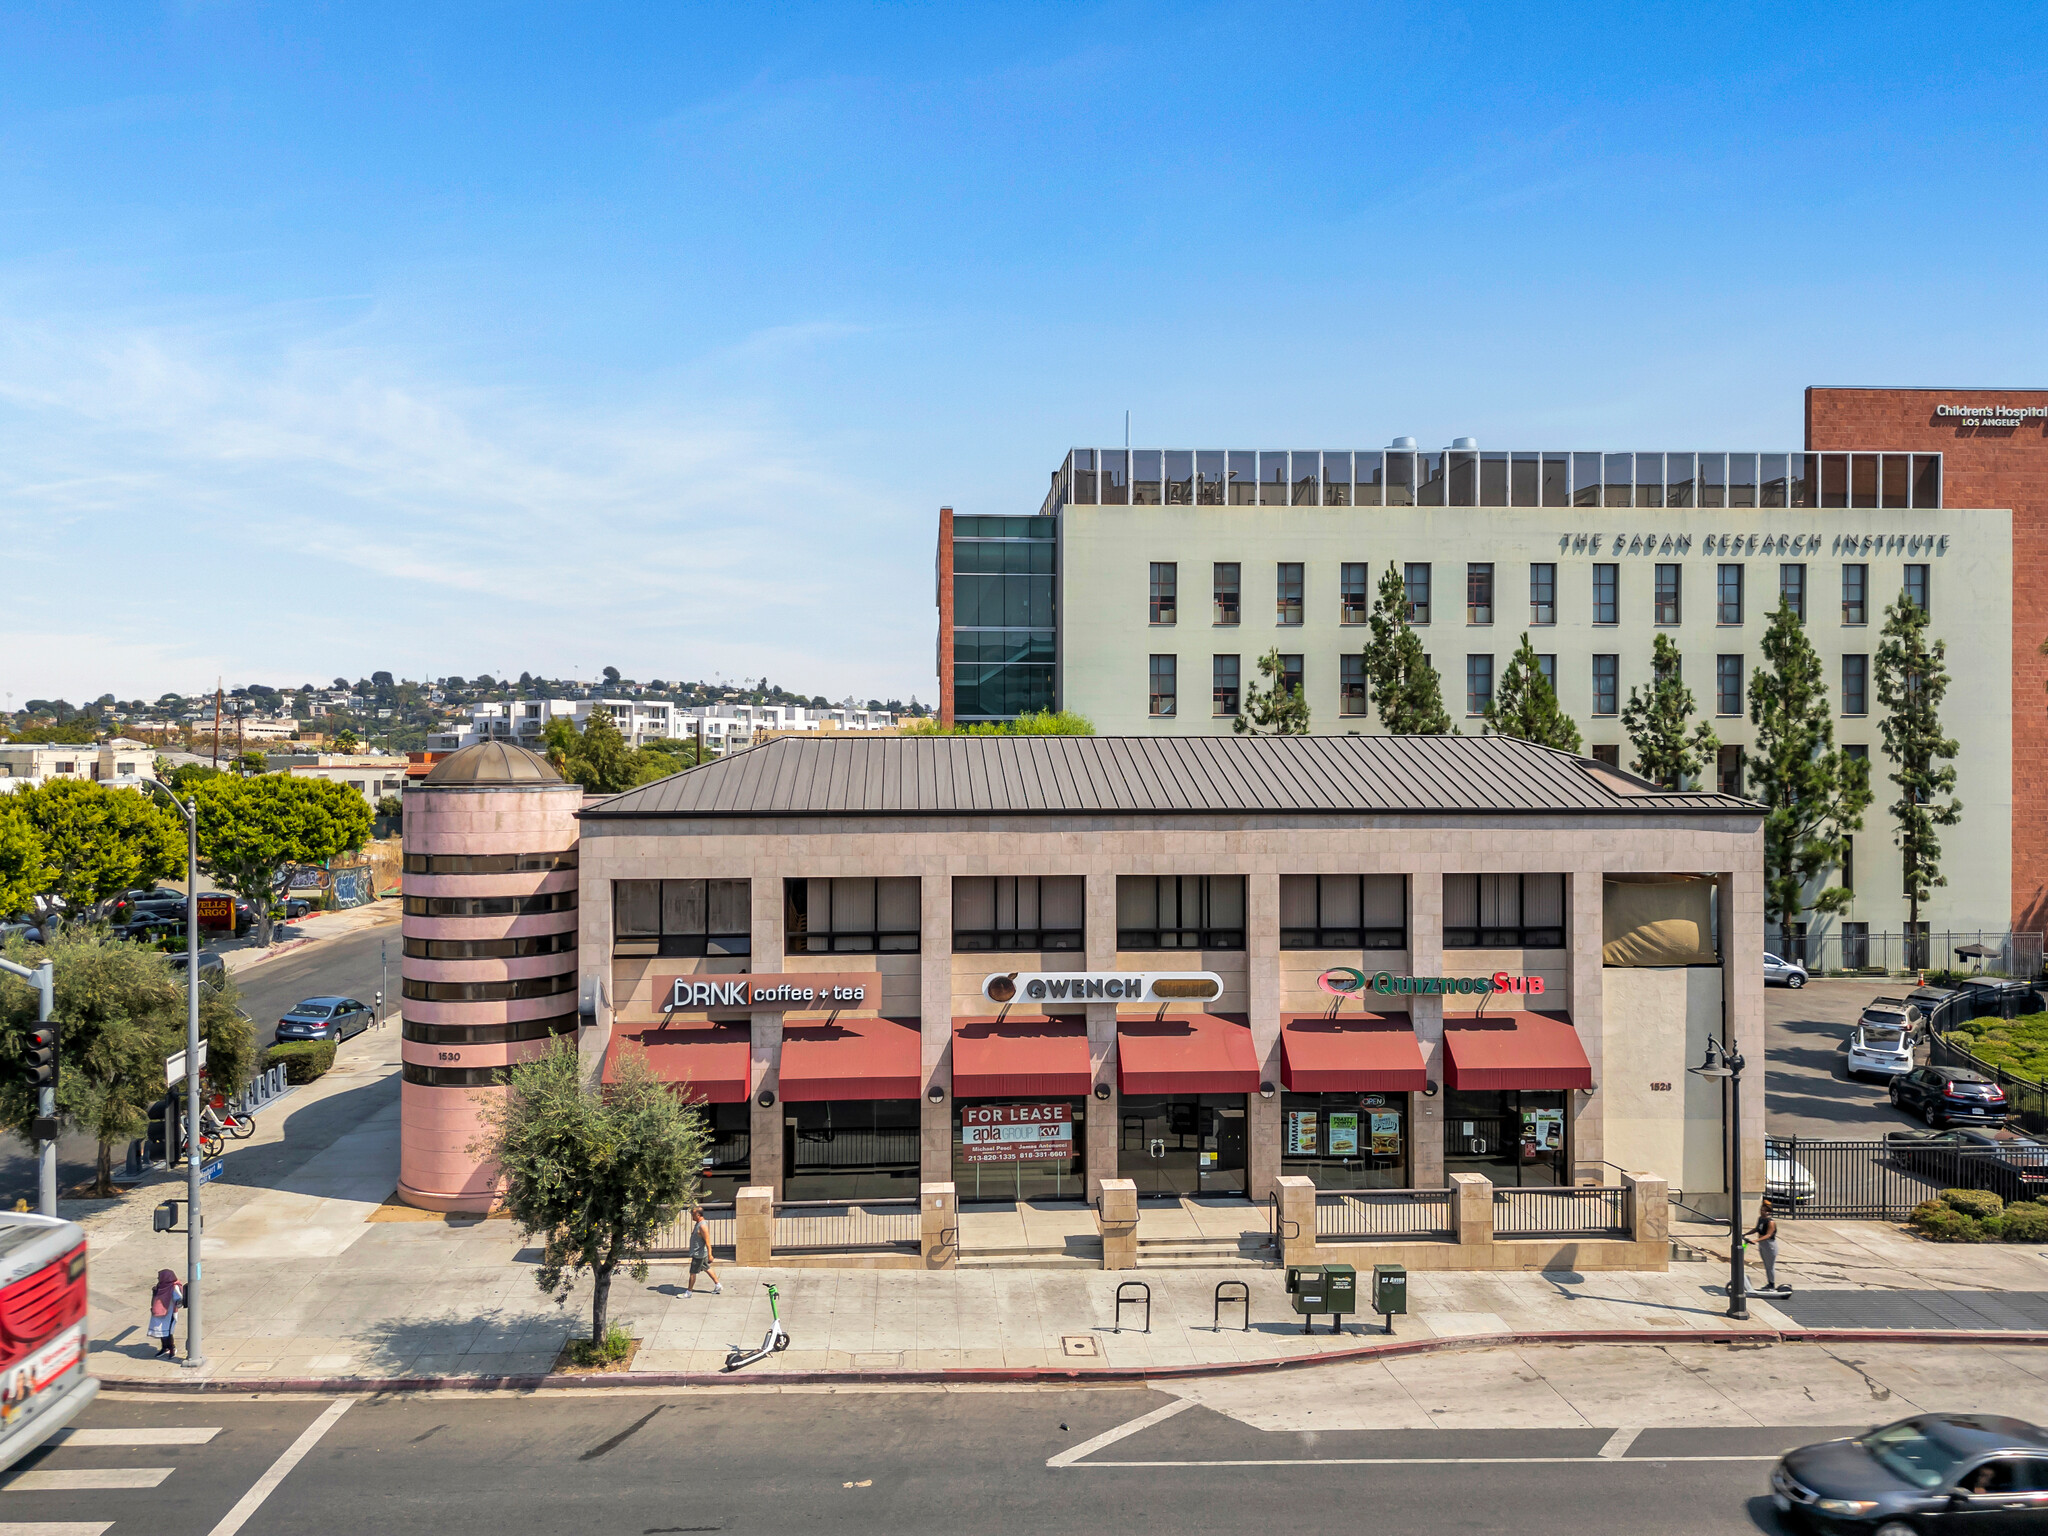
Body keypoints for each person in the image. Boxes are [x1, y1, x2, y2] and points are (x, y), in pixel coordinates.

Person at [684, 1206, 721, 1296]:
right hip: (699, 1253)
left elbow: (707, 1242)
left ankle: (689, 1292)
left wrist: (710, 1254)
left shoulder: (702, 1226)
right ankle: (718, 1285)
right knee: (706, 1268)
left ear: (698, 1214)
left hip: (698, 1254)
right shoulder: (699, 1223)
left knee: (692, 1273)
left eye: (693, 1214)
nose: (692, 1216)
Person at [147, 1269, 184, 1358]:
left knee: (168, 1332)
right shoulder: (160, 1286)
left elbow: (179, 1299)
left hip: (169, 1313)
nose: (158, 1278)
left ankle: (172, 1348)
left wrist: (179, 1303)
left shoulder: (174, 1287)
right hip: (158, 1313)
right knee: (160, 1332)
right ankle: (164, 1348)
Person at [1754, 1199, 1780, 1291]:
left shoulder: (1770, 1222)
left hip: (1770, 1245)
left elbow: (1768, 1235)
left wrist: (1755, 1240)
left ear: (1768, 1212)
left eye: (1764, 1210)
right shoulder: (1760, 1219)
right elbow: (1756, 1229)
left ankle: (1772, 1284)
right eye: (1761, 1209)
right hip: (1762, 1244)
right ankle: (1769, 1283)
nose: (1761, 1212)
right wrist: (1745, 1234)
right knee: (1766, 1265)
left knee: (1770, 1266)